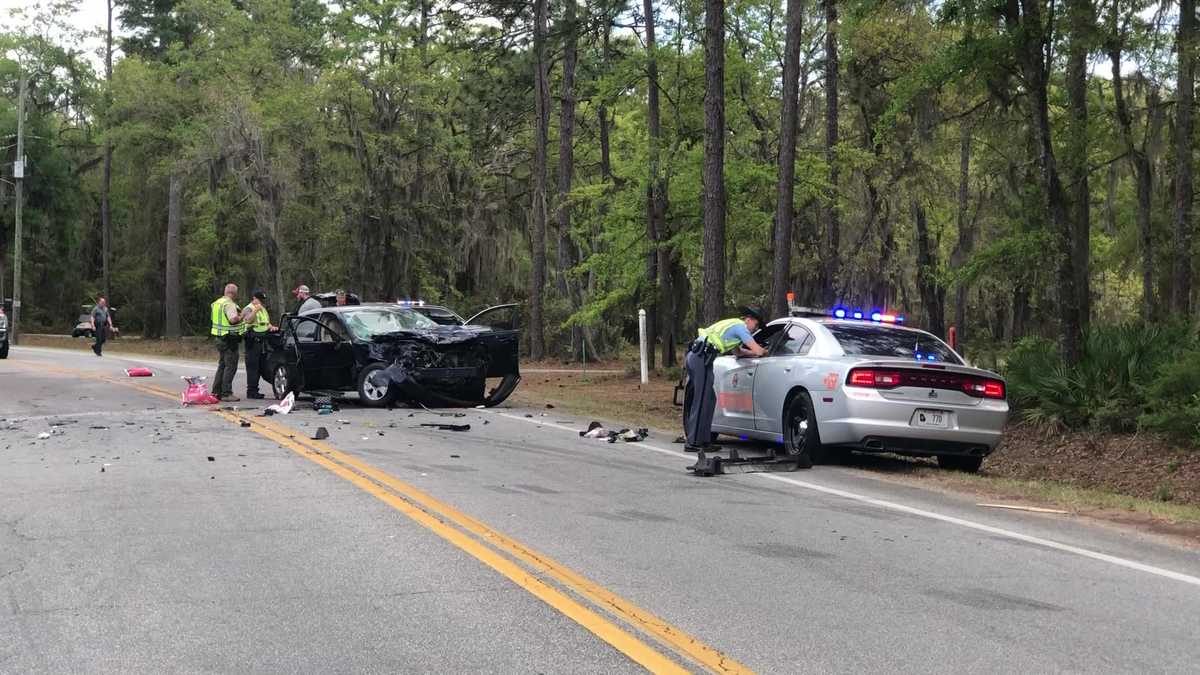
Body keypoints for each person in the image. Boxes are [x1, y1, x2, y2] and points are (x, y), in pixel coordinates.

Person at [683, 306, 769, 455]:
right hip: (700, 357)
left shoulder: (734, 328)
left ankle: (704, 441)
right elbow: (757, 350)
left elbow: (739, 352)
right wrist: (765, 351)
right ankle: (692, 442)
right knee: (702, 400)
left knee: (710, 399)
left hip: (702, 358)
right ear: (749, 319)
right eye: (755, 325)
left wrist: (754, 355)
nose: (755, 330)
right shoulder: (740, 327)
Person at [210, 283, 247, 402]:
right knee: (230, 366)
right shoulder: (229, 304)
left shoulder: (217, 303)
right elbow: (233, 320)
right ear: (234, 293)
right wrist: (241, 316)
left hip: (219, 338)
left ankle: (216, 392)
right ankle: (226, 393)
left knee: (222, 365)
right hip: (229, 339)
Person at [242, 290, 278, 399]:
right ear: (254, 298)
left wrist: (271, 327)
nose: (261, 302)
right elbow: (247, 320)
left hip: (262, 342)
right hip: (252, 341)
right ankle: (251, 391)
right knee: (253, 368)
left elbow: (266, 323)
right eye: (259, 299)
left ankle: (256, 390)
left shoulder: (263, 309)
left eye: (262, 300)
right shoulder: (249, 308)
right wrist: (255, 311)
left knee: (261, 367)